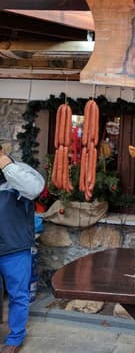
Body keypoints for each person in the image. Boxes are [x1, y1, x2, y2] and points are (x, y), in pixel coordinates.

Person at [0, 146, 44, 353]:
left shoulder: (21, 171)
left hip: (15, 247)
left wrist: (7, 166)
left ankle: (15, 338)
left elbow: (34, 189)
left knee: (18, 295)